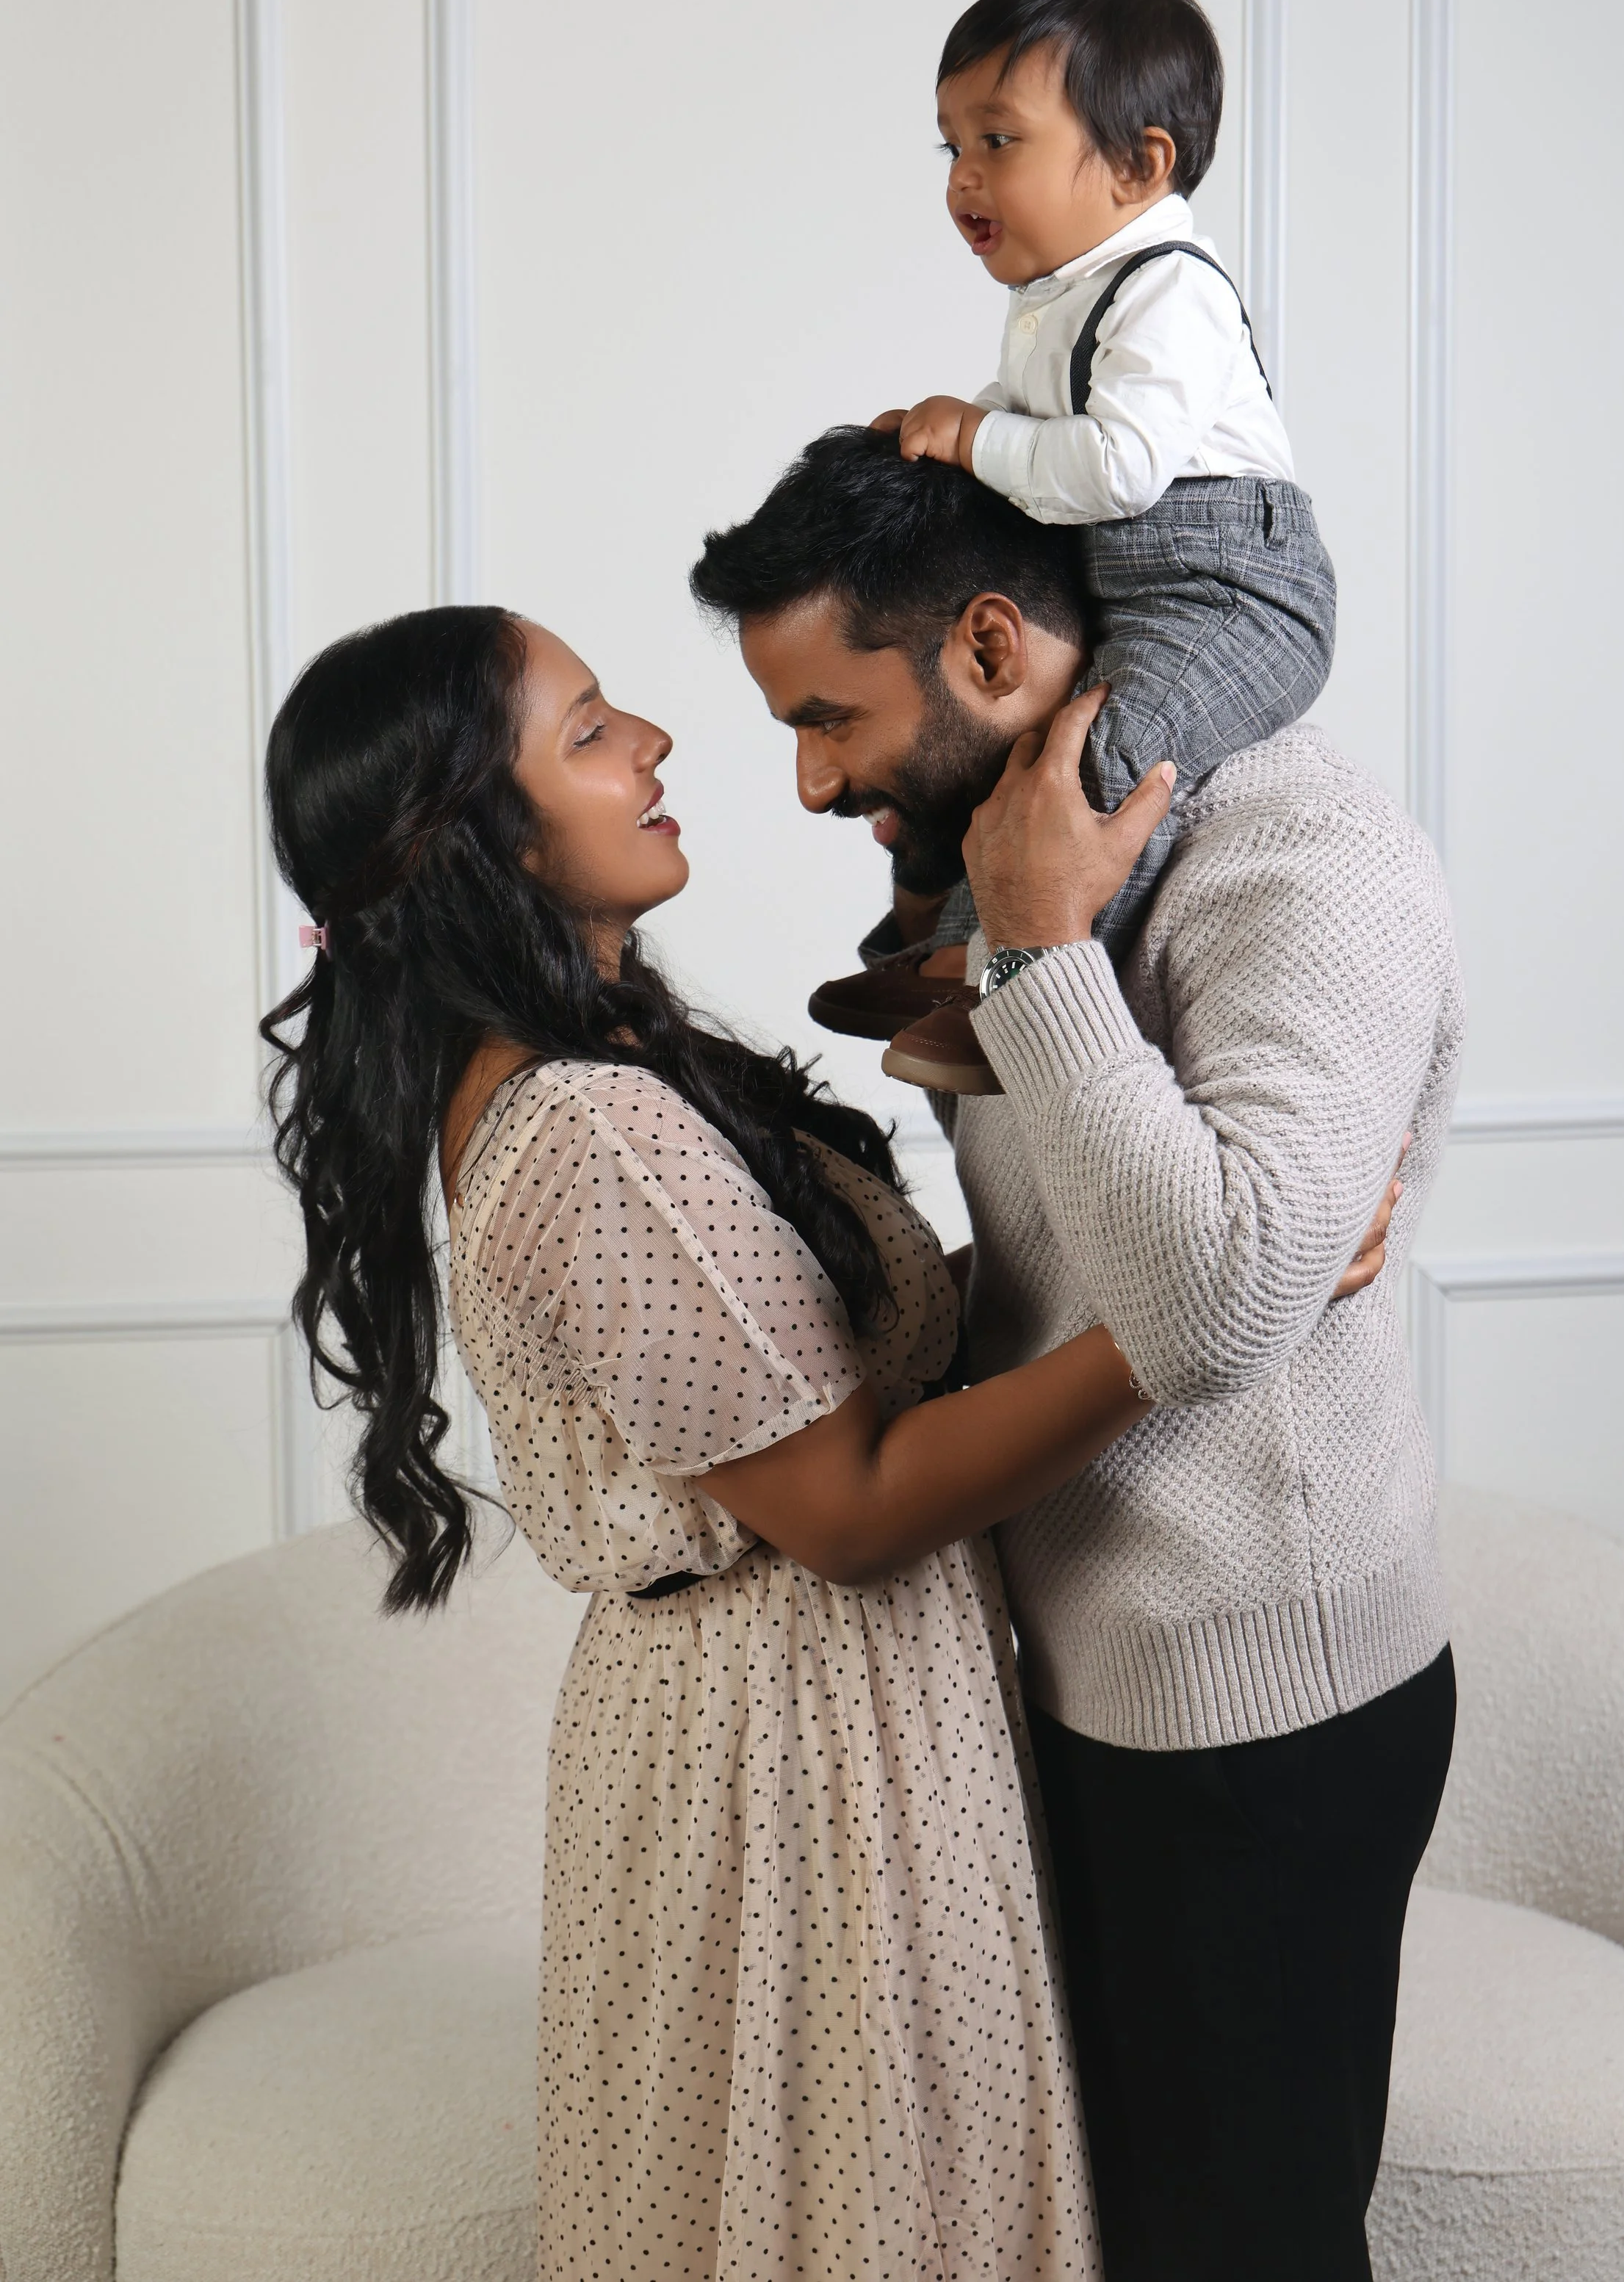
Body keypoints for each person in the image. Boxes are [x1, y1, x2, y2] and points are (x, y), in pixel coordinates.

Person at [259, 602, 1402, 2282]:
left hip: (821, 1715)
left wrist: (1187, 1240)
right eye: (586, 729)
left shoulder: (607, 1065)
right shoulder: (589, 1128)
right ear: (477, 839)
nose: (649, 742)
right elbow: (848, 1500)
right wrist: (1212, 1299)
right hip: (788, 1752)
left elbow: (808, 1362)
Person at [692, 435, 1465, 2282]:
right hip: (1090, 1672)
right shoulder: (1007, 856)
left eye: (826, 716)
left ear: (981, 642)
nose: (808, 780)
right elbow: (1102, 1257)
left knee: (1242, 2251)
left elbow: (1202, 1321)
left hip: (1262, 1713)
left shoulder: (1293, 845)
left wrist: (1040, 947)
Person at [809, 0, 1337, 1097]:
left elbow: (1117, 464)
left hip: (1234, 591)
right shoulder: (1060, 295)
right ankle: (942, 947)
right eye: (949, 147)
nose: (962, 179)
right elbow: (1029, 423)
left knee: (1098, 764)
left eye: (999, 141)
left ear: (1142, 164)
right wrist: (950, 436)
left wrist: (973, 439)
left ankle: (1004, 987)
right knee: (1005, 759)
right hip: (1133, 584)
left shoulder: (1168, 290)